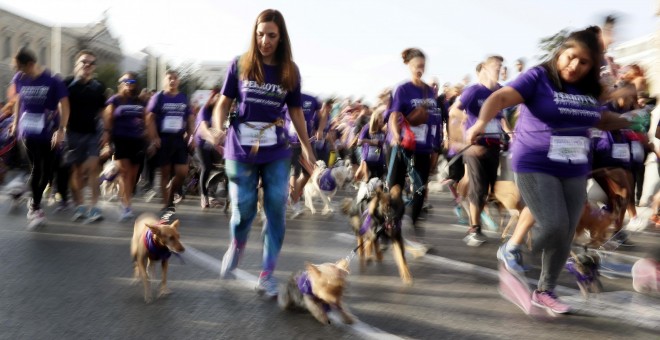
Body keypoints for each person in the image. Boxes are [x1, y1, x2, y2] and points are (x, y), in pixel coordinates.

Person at [467, 27, 629, 314]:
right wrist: (481, 122)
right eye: (570, 57)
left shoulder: (589, 89)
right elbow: (502, 98)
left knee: (566, 231)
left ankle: (545, 290)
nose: (574, 66)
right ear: (560, 53)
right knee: (555, 225)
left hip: (574, 167)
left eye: (584, 62)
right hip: (535, 162)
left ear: (592, 66)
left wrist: (630, 122)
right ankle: (511, 250)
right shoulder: (538, 77)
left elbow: (600, 119)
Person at [212, 9, 316, 297]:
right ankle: (237, 244)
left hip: (276, 149)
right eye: (260, 34)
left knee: (276, 211)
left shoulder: (290, 71)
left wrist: (308, 148)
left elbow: (296, 111)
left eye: (271, 35)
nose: (265, 41)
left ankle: (267, 275)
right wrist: (218, 127)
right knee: (243, 210)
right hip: (239, 148)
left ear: (281, 37)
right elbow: (223, 103)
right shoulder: (240, 64)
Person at [451, 55, 510, 246]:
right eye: (495, 66)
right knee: (478, 187)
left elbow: (501, 117)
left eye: (501, 66)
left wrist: (510, 132)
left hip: (493, 145)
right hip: (474, 145)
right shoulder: (473, 91)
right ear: (484, 68)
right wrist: (474, 124)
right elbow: (454, 111)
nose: (499, 69)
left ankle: (474, 217)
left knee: (488, 187)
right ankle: (473, 229)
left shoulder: (501, 91)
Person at [9, 47, 69, 229]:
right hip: (28, 130)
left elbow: (65, 105)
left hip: (50, 131)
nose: (20, 73)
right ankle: (35, 207)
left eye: (22, 68)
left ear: (31, 64)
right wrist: (15, 121)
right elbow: (18, 99)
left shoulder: (53, 80)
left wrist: (61, 130)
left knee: (48, 171)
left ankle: (31, 197)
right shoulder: (20, 78)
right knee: (37, 167)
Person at [387, 48, 443, 236]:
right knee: (395, 185)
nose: (420, 69)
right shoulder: (402, 89)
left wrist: (436, 146)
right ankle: (392, 222)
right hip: (403, 144)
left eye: (423, 65)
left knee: (420, 187)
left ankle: (414, 224)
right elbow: (394, 115)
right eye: (417, 65)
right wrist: (395, 135)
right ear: (409, 66)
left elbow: (435, 118)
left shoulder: (429, 91)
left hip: (423, 146)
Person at [63, 50, 107, 222]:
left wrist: (107, 132)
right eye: (84, 62)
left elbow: (103, 111)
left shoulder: (98, 87)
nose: (87, 66)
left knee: (93, 167)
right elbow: (60, 106)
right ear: (76, 65)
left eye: (91, 63)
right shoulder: (66, 84)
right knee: (76, 170)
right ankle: (80, 205)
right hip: (72, 132)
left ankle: (94, 207)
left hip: (92, 133)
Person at [146, 70, 195, 214]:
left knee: (182, 172)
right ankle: (166, 203)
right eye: (169, 78)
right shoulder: (158, 97)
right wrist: (154, 137)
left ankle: (171, 194)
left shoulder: (183, 97)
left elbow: (191, 118)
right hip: (164, 138)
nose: (172, 81)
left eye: (175, 78)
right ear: (165, 81)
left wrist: (191, 136)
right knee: (165, 172)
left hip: (179, 139)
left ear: (178, 81)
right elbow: (149, 118)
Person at [103, 72, 147, 221]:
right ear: (120, 83)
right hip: (120, 139)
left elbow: (147, 118)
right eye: (126, 81)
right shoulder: (115, 100)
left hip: (138, 140)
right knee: (125, 173)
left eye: (132, 81)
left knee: (134, 175)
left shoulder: (140, 101)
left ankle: (119, 187)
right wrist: (107, 138)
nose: (129, 83)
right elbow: (108, 119)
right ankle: (126, 206)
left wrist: (148, 134)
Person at [288, 92, 321, 218]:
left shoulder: (311, 99)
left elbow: (321, 116)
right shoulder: (285, 98)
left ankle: (294, 194)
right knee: (294, 172)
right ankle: (295, 201)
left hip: (308, 141)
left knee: (309, 172)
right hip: (292, 142)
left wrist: (320, 128)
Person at [194, 86, 222, 209]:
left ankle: (211, 193)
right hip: (200, 144)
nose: (220, 99)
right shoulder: (204, 111)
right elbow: (204, 130)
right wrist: (214, 139)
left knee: (221, 167)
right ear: (212, 97)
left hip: (212, 145)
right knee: (207, 167)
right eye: (218, 97)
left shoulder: (218, 112)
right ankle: (204, 195)